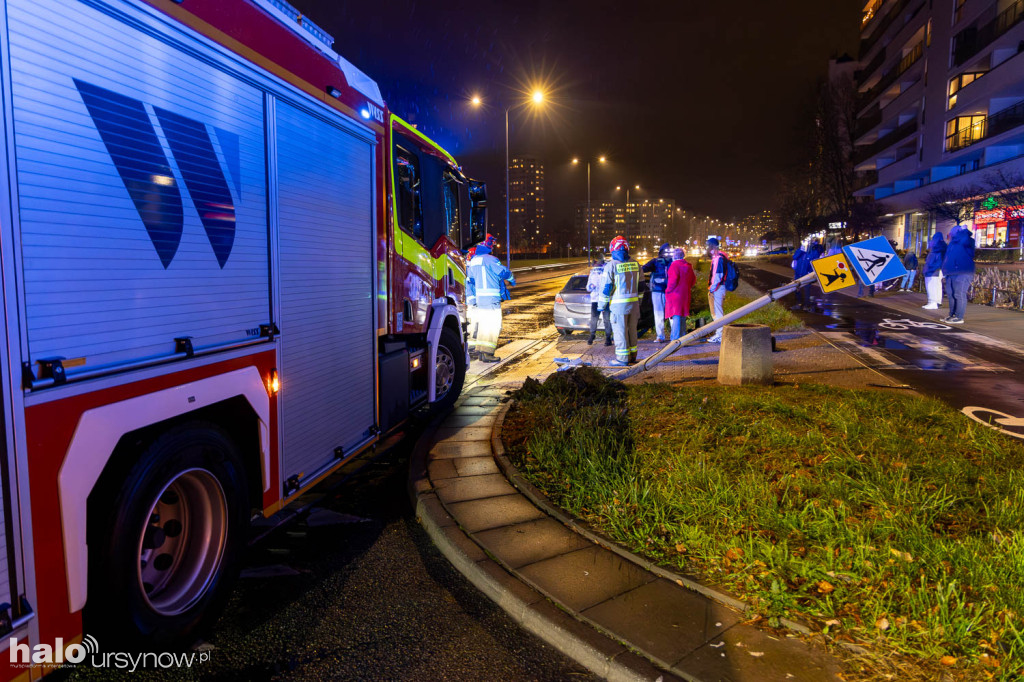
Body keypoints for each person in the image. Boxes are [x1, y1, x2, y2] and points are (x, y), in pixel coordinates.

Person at [466, 237, 515, 362]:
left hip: (480, 300)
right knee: (493, 327)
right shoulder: (492, 260)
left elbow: (471, 278)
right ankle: (488, 354)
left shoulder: (474, 261)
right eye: (491, 244)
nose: (492, 246)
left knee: (483, 326)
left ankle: (481, 352)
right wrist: (511, 278)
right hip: (492, 300)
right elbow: (503, 272)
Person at [598, 236, 640, 366]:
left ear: (612, 249)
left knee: (620, 331)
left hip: (618, 307)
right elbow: (642, 287)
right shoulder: (636, 264)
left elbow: (606, 289)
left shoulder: (611, 266)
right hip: (634, 306)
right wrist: (640, 304)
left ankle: (622, 359)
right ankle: (632, 356)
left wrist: (601, 306)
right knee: (632, 331)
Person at [941, 225, 975, 324]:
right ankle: (952, 315)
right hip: (951, 272)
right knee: (951, 294)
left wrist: (964, 231)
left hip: (963, 271)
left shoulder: (967, 241)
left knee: (959, 294)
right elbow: (948, 257)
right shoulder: (953, 243)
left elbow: (965, 239)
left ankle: (959, 317)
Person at [642, 242, 672, 342]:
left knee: (660, 314)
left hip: (659, 290)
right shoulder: (672, 261)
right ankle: (674, 336)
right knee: (670, 314)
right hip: (668, 291)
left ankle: (661, 336)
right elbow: (643, 269)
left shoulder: (655, 261)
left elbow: (642, 269)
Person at [665, 247, 696, 341]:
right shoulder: (688, 266)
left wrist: (667, 290)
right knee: (682, 316)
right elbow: (693, 280)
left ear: (674, 256)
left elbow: (672, 281)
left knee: (676, 316)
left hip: (675, 295)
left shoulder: (674, 265)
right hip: (685, 294)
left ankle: (675, 339)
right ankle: (683, 338)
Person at [585, 258, 613, 346]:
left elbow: (609, 284)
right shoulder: (594, 273)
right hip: (598, 300)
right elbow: (588, 288)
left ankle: (607, 338)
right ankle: (594, 336)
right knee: (597, 319)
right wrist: (591, 286)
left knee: (605, 320)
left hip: (603, 300)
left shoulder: (602, 273)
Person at [705, 237, 727, 343]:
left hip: (717, 288)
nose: (706, 249)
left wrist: (712, 289)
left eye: (707, 246)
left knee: (718, 313)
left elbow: (718, 276)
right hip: (719, 288)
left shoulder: (718, 258)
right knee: (717, 312)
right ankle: (720, 333)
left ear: (712, 246)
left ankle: (720, 334)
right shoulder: (719, 257)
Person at [921, 230, 946, 310]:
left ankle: (933, 302)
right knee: (937, 285)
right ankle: (937, 302)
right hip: (937, 270)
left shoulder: (937, 248)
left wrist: (930, 268)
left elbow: (937, 260)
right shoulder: (942, 247)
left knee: (932, 286)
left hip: (933, 270)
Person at [464, 245, 480, 358]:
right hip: (471, 300)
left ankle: (470, 342)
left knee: (470, 322)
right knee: (473, 322)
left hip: (466, 299)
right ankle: (471, 343)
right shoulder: (471, 266)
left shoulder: (466, 265)